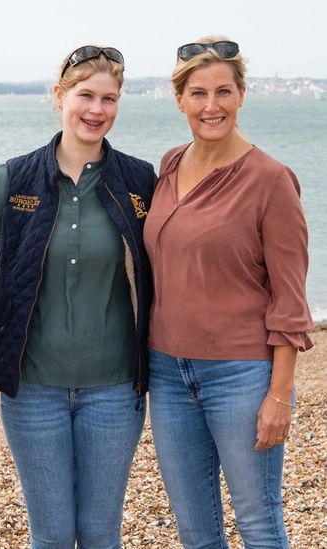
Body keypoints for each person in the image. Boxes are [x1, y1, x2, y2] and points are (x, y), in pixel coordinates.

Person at [0, 46, 156, 548]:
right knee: (50, 535)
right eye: (85, 95)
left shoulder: (140, 182)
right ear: (59, 96)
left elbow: (176, 269)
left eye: (108, 99)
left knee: (99, 533)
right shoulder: (13, 179)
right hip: (32, 391)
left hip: (115, 391)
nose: (96, 109)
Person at [144, 36, 313, 548]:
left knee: (258, 521)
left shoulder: (271, 180)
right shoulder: (169, 165)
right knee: (195, 531)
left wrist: (279, 395)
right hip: (167, 374)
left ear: (241, 94)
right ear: (179, 99)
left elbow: (290, 300)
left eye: (223, 91)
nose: (211, 106)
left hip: (241, 376)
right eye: (198, 93)